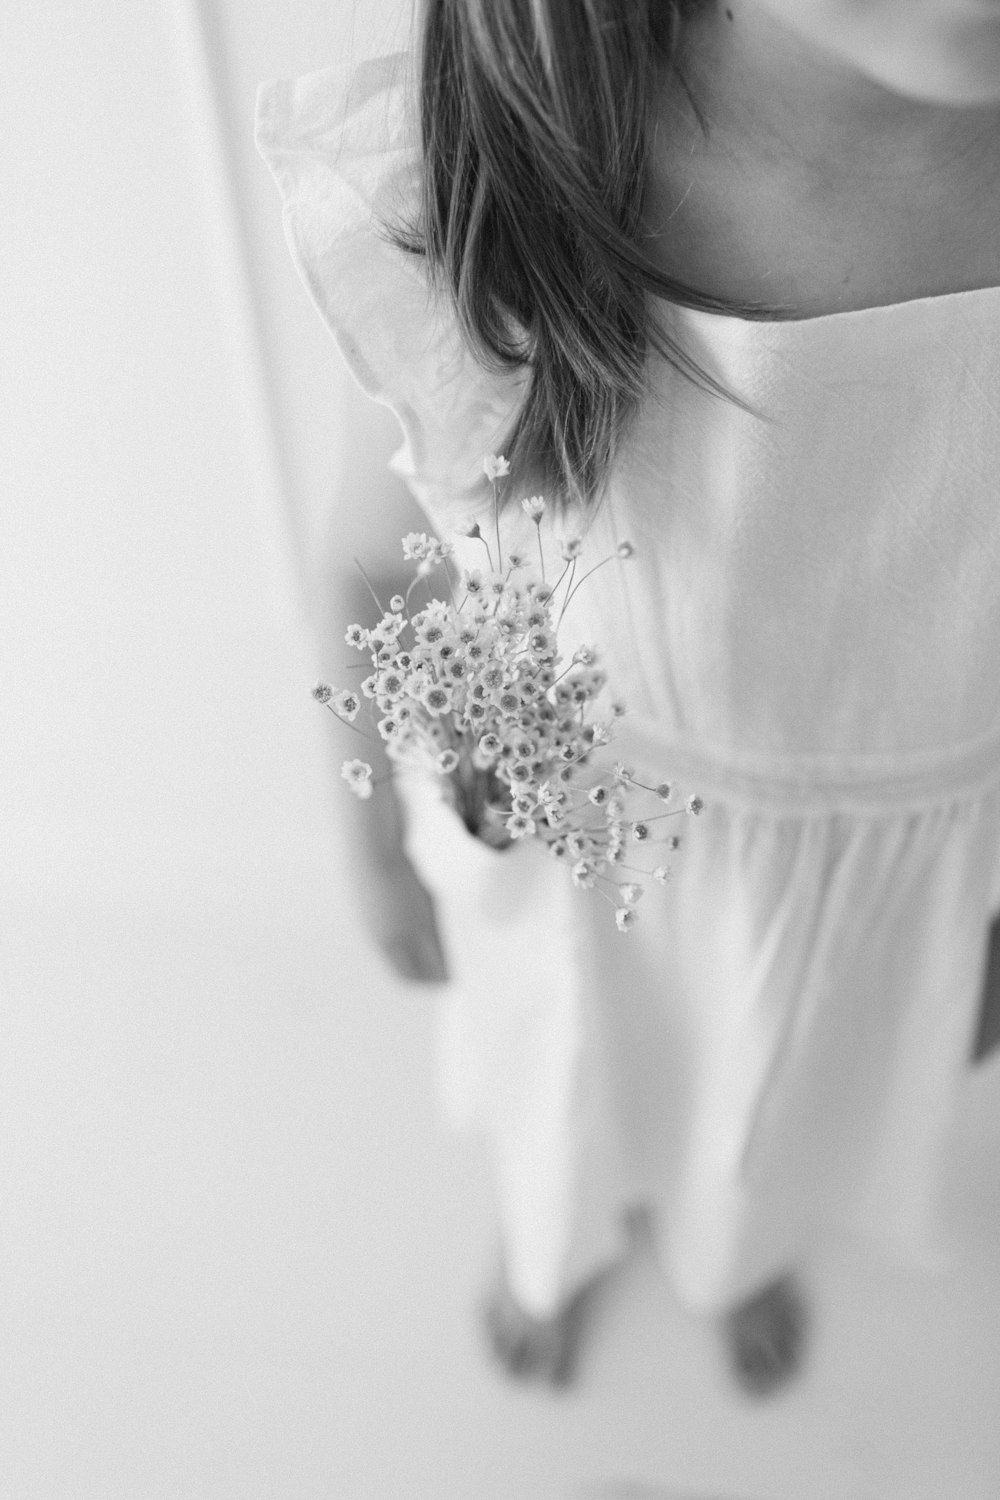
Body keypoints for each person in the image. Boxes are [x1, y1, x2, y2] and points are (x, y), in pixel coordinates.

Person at [256, 0, 1000, 1395]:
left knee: (774, 1115)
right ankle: (548, 1244)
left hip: (874, 887)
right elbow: (378, 565)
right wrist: (361, 845)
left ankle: (735, 1253)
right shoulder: (520, 165)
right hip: (585, 843)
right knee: (567, 1084)